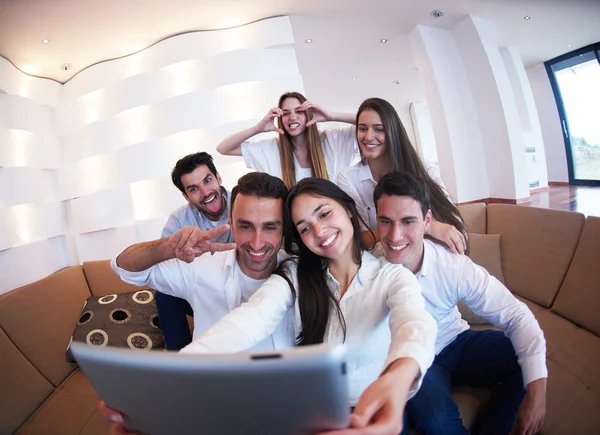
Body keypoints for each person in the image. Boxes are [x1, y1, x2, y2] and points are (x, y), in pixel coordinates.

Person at [182, 178, 438, 435]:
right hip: (314, 414)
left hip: (372, 408)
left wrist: (398, 377)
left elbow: (415, 323)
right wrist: (183, 366)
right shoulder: (293, 274)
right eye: (304, 228)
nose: (319, 231)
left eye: (325, 214)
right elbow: (250, 319)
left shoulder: (391, 277)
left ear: (347, 209)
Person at [373, 170, 547, 435]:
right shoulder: (370, 269)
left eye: (408, 221)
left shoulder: (451, 264)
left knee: (530, 362)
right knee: (437, 423)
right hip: (417, 359)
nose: (395, 236)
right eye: (386, 221)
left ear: (427, 220)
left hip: (457, 340)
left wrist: (537, 391)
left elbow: (515, 315)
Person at [337, 97, 467, 254]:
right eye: (363, 128)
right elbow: (361, 240)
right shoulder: (348, 179)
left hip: (431, 258)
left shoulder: (423, 168)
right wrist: (427, 226)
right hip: (382, 265)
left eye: (379, 129)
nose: (369, 137)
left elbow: (453, 224)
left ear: (393, 131)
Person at [157, 152, 234, 350]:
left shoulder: (243, 202)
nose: (205, 192)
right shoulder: (178, 220)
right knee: (163, 293)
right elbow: (164, 269)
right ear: (186, 195)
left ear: (218, 177)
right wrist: (185, 256)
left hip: (242, 286)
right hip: (201, 292)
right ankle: (181, 363)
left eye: (208, 180)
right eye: (194, 189)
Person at [216, 92, 358, 189]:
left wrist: (331, 116)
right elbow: (223, 148)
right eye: (286, 113)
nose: (292, 117)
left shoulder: (333, 140)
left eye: (299, 111)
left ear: (308, 114)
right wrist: (258, 128)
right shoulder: (271, 149)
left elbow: (374, 123)